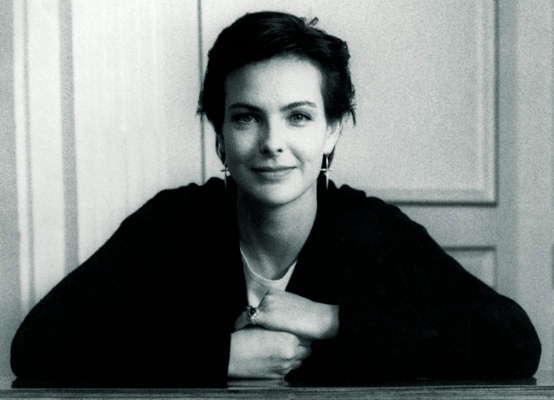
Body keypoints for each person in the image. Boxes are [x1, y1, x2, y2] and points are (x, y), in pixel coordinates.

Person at [11, 11, 541, 388]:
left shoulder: (372, 230)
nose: (272, 142)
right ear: (219, 133)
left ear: (332, 130)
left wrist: (331, 320)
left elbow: (513, 342)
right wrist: (218, 356)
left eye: (298, 116)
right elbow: (38, 345)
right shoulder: (174, 222)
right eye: (246, 117)